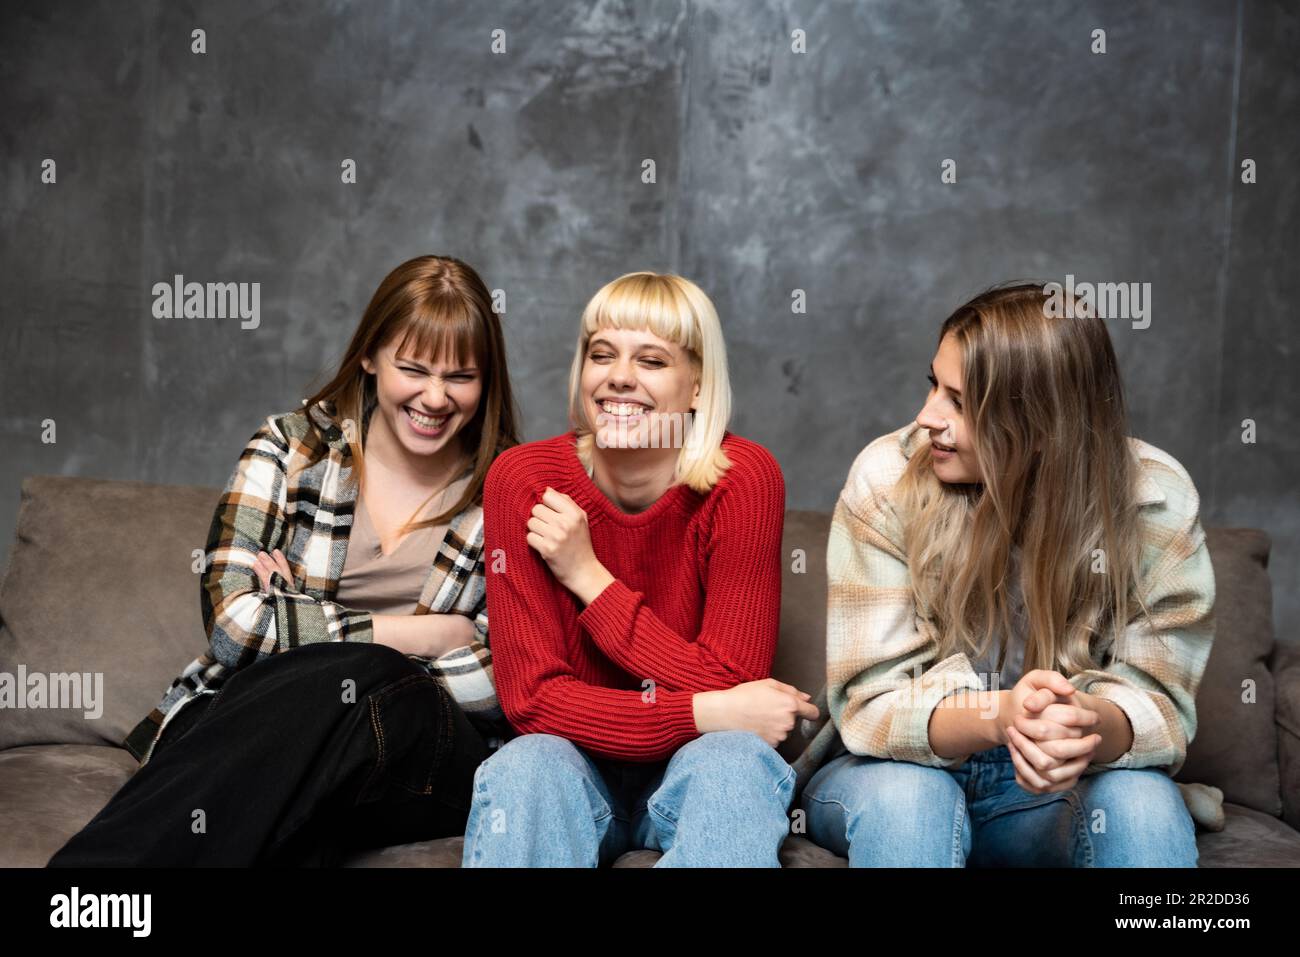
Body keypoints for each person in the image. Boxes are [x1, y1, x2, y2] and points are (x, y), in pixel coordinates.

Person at [49, 254, 521, 866]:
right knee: (302, 772)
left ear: (487, 382)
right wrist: (430, 634)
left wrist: (302, 621)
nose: (435, 397)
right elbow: (232, 628)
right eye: (412, 368)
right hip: (266, 726)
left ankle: (84, 892)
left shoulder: (514, 486)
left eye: (461, 376)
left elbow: (514, 679)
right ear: (370, 358)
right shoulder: (291, 447)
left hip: (418, 746)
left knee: (371, 681)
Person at [795, 282, 1214, 867]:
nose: (926, 418)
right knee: (913, 801)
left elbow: (1161, 708)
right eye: (932, 385)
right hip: (896, 773)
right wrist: (1001, 715)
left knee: (1143, 804)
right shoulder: (886, 477)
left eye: (960, 403)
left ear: (1043, 427)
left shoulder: (1155, 500)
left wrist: (1081, 723)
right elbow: (869, 707)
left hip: (1057, 788)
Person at [462, 271, 819, 867]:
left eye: (652, 360)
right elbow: (533, 701)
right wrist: (706, 709)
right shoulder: (522, 479)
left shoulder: (745, 480)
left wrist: (589, 578)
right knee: (526, 765)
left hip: (695, 770)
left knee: (736, 762)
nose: (619, 376)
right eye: (601, 354)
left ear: (698, 386)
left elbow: (734, 674)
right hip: (570, 769)